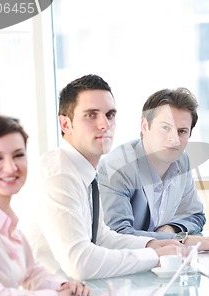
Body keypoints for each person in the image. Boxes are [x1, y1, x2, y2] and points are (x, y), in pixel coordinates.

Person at [27, 74, 182, 281]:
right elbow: (80, 263)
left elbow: (100, 237)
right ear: (65, 125)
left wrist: (151, 244)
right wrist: (153, 256)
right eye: (91, 115)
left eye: (110, 115)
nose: (105, 125)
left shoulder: (84, 170)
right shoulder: (59, 175)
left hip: (73, 291)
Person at [0, 113, 90, 296]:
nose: (11, 167)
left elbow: (31, 272)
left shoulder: (5, 216)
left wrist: (64, 286)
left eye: (18, 155)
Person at [98, 88, 209, 253]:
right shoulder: (117, 167)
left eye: (182, 131)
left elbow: (195, 216)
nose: (174, 139)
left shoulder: (182, 160)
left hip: (163, 262)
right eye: (165, 128)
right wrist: (182, 239)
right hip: (122, 265)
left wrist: (171, 228)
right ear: (145, 126)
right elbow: (117, 234)